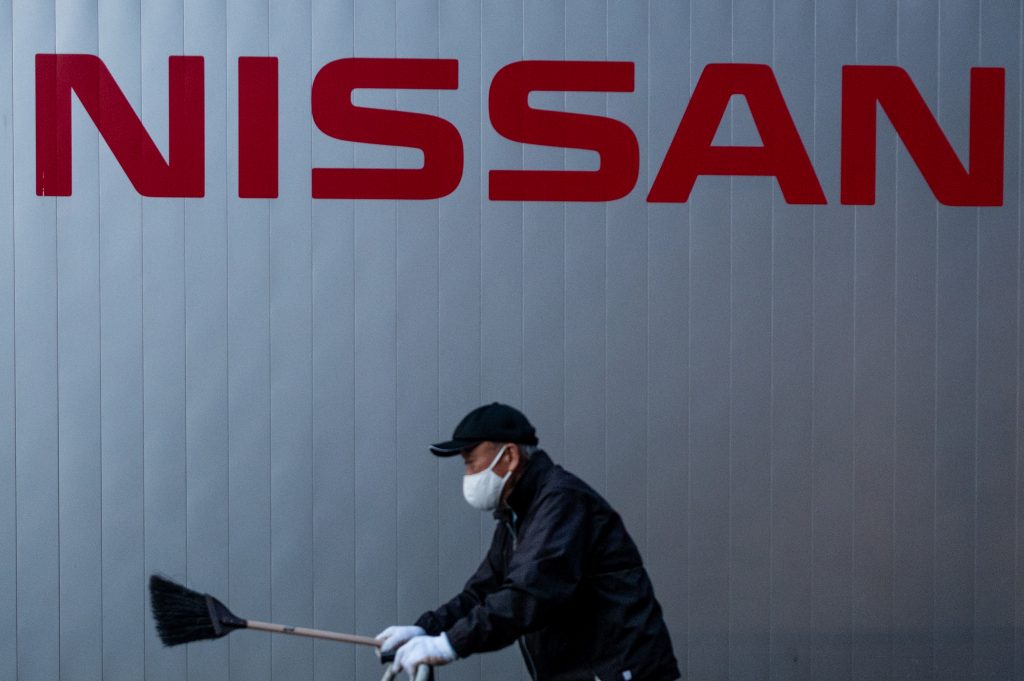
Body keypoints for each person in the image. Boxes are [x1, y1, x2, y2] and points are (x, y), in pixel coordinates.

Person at [377, 402, 680, 681]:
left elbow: (529, 593)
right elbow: (483, 592)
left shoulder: (562, 502)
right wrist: (425, 629)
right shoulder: (518, 514)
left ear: (509, 456)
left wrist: (448, 645)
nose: (468, 474)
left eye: (471, 462)